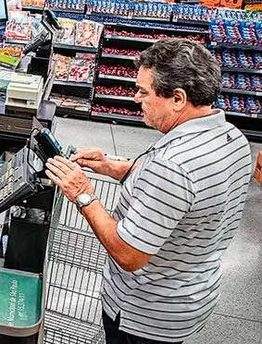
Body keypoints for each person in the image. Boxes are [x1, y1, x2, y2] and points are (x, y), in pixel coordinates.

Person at [45, 39, 252, 344]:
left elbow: (128, 254)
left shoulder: (174, 166)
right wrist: (113, 168)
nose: (135, 98)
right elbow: (187, 200)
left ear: (178, 99)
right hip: (191, 293)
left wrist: (83, 193)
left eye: (144, 91)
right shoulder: (232, 137)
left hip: (143, 314)